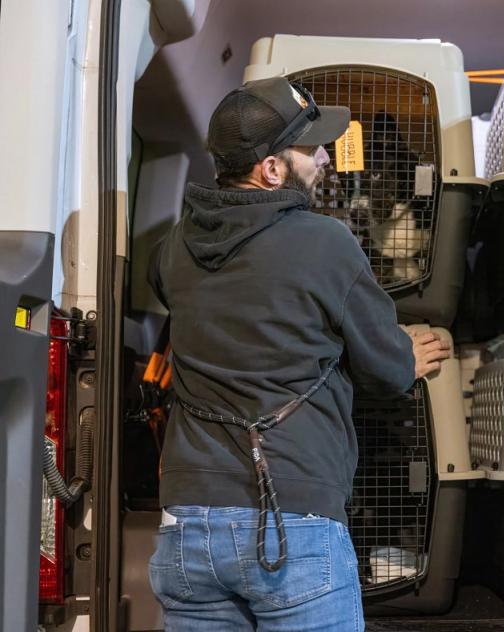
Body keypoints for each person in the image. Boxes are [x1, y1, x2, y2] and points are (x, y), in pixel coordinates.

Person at [146, 76, 450, 631]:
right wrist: (406, 352)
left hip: (187, 527)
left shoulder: (173, 246)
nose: (325, 157)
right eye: (309, 147)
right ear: (271, 170)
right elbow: (385, 371)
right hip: (291, 522)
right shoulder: (325, 241)